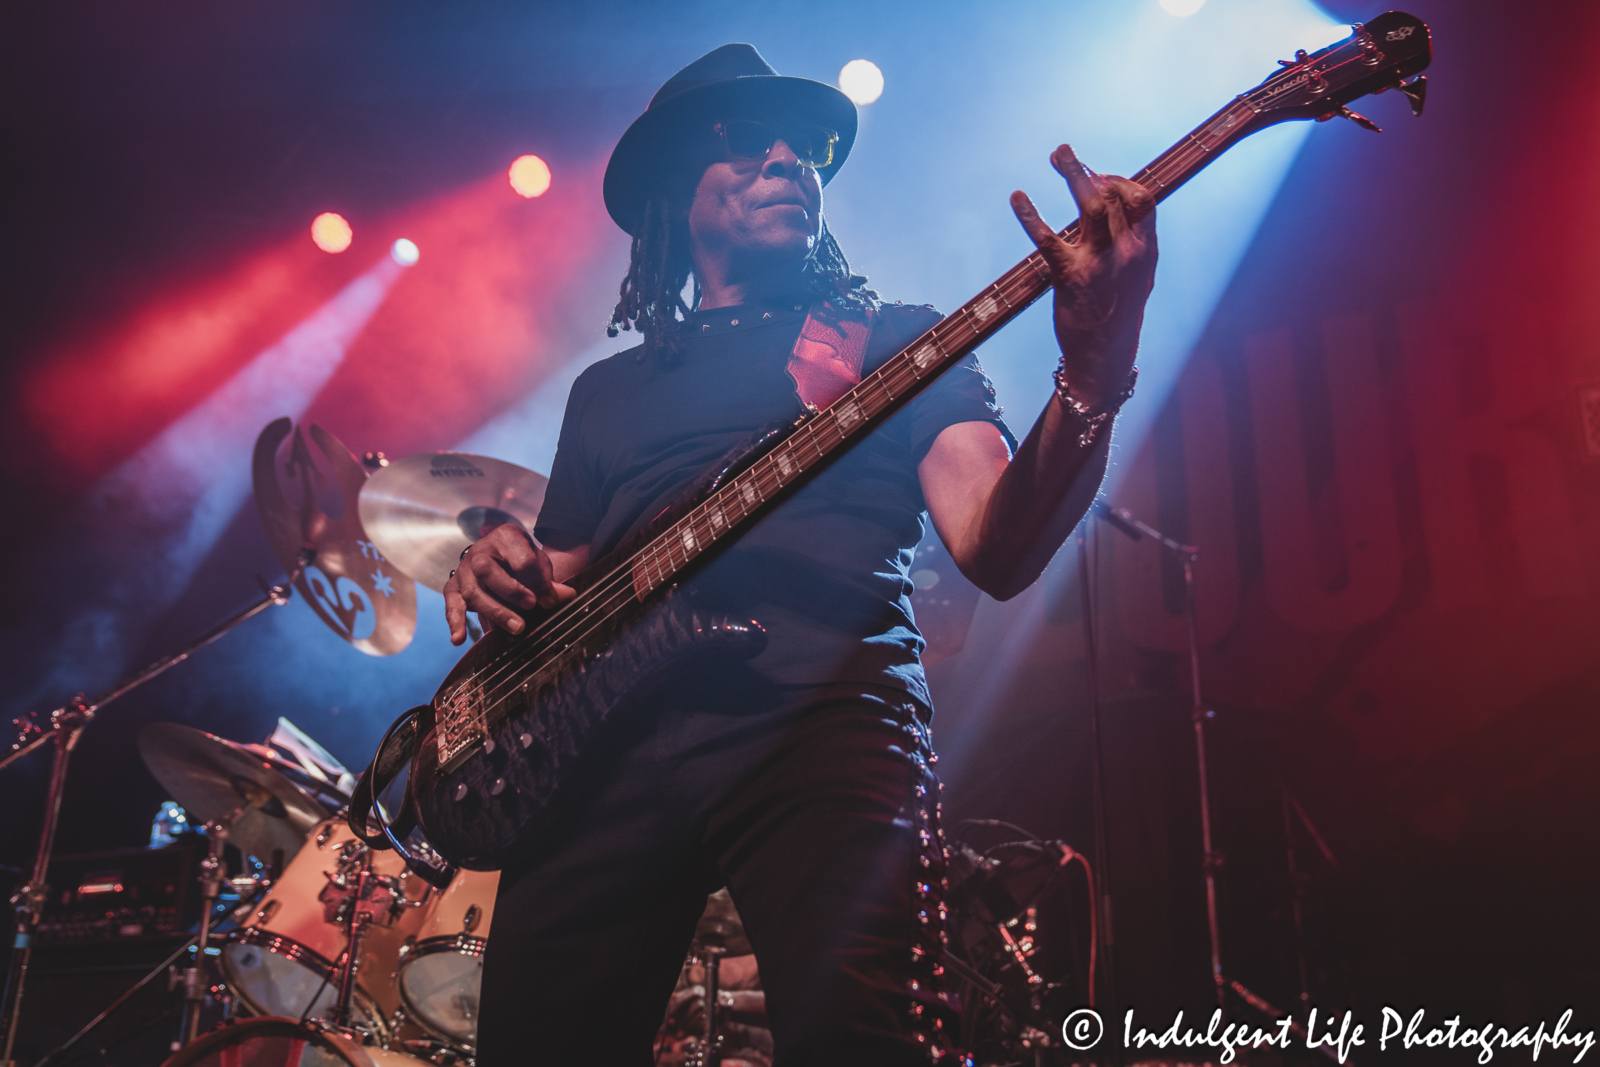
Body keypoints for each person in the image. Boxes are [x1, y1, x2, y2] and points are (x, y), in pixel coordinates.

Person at [443, 43, 1155, 1067]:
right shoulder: (606, 395)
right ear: (669, 189)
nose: (789, 160)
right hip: (605, 752)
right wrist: (489, 560)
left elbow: (993, 541)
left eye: (807, 144)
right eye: (746, 138)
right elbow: (553, 590)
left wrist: (1096, 357)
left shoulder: (894, 340)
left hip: (821, 718)